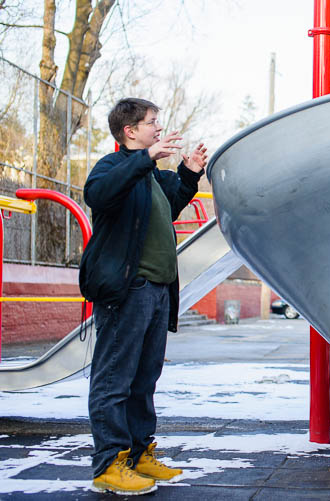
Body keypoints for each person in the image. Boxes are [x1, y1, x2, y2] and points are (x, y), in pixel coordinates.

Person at [80, 98, 208, 495]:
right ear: (130, 131)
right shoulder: (113, 167)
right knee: (114, 380)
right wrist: (146, 158)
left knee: (142, 380)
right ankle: (109, 465)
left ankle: (138, 455)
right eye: (152, 123)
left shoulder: (151, 178)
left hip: (156, 291)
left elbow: (171, 202)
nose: (159, 128)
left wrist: (188, 173)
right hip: (128, 290)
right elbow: (98, 196)